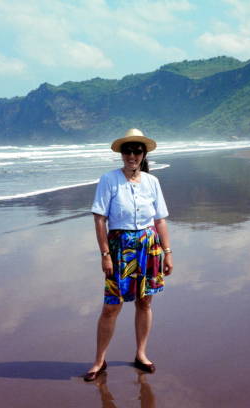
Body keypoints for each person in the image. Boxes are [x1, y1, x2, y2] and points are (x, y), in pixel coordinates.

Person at [84, 128, 173, 382]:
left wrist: (167, 252)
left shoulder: (152, 182)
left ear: (143, 154)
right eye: (127, 150)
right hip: (119, 247)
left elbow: (160, 221)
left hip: (148, 245)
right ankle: (99, 360)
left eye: (137, 151)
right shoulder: (109, 180)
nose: (131, 155)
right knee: (112, 306)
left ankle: (141, 354)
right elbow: (100, 219)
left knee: (145, 302)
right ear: (121, 154)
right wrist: (105, 254)